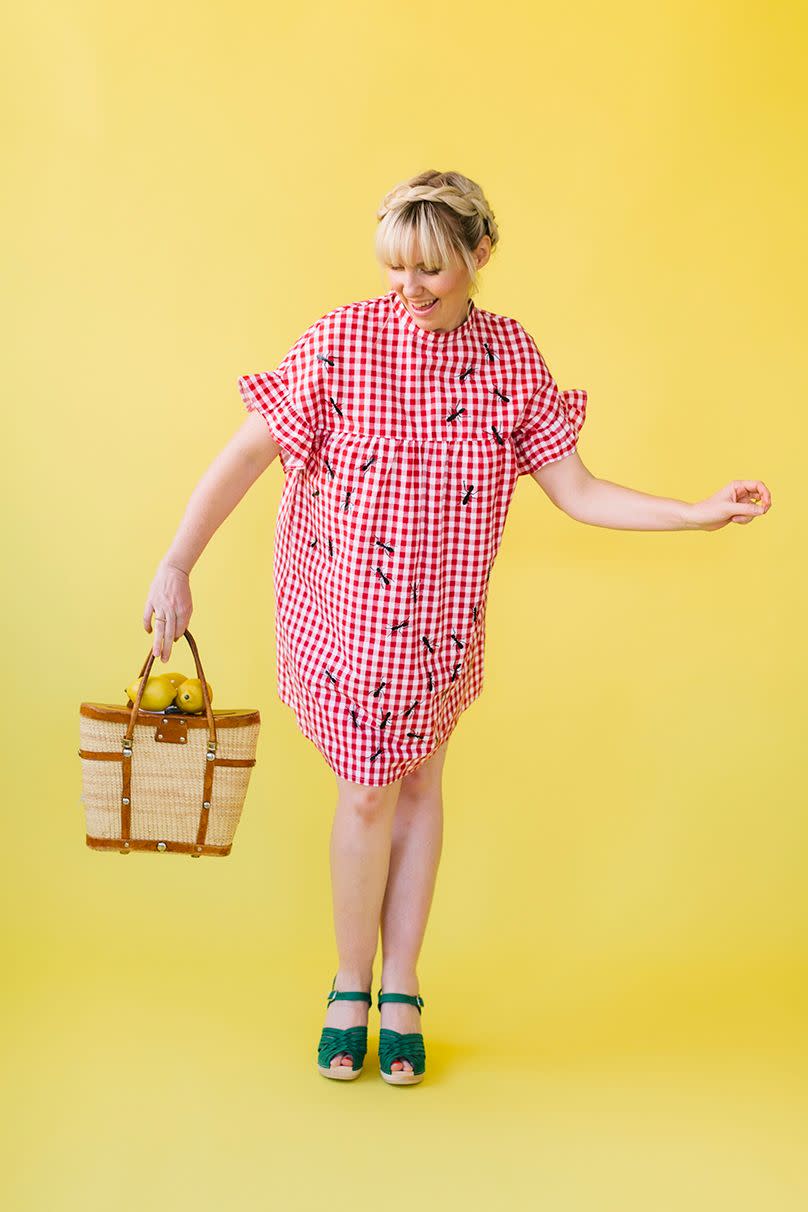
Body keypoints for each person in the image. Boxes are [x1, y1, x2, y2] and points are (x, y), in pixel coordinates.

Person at [142, 169, 772, 1086]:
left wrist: (692, 512)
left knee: (423, 787)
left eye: (431, 269)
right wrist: (177, 561)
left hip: (442, 622)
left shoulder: (512, 357)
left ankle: (403, 980)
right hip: (346, 613)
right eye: (397, 267)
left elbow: (578, 490)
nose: (409, 288)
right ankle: (350, 982)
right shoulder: (342, 341)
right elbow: (246, 454)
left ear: (481, 256)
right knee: (368, 794)